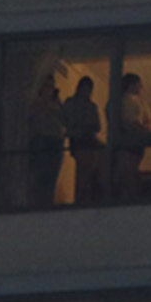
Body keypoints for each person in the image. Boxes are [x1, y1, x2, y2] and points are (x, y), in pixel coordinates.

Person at [114, 72, 151, 200]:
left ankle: (130, 196)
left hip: (137, 141)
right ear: (131, 84)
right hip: (128, 139)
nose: (141, 87)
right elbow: (128, 121)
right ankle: (127, 196)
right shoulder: (123, 100)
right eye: (139, 84)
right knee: (127, 171)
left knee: (131, 170)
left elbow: (148, 121)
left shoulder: (141, 102)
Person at [61, 76, 104, 203]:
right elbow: (66, 121)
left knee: (90, 170)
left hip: (89, 141)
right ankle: (80, 197)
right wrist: (80, 127)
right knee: (82, 171)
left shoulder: (91, 106)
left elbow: (97, 126)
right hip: (79, 141)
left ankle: (86, 195)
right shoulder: (71, 103)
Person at [25, 76, 66, 207]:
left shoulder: (57, 104)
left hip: (56, 141)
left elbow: (65, 119)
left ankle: (48, 201)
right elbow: (29, 117)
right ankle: (37, 203)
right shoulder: (36, 103)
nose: (50, 89)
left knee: (52, 175)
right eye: (47, 86)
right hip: (41, 140)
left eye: (51, 86)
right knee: (40, 174)